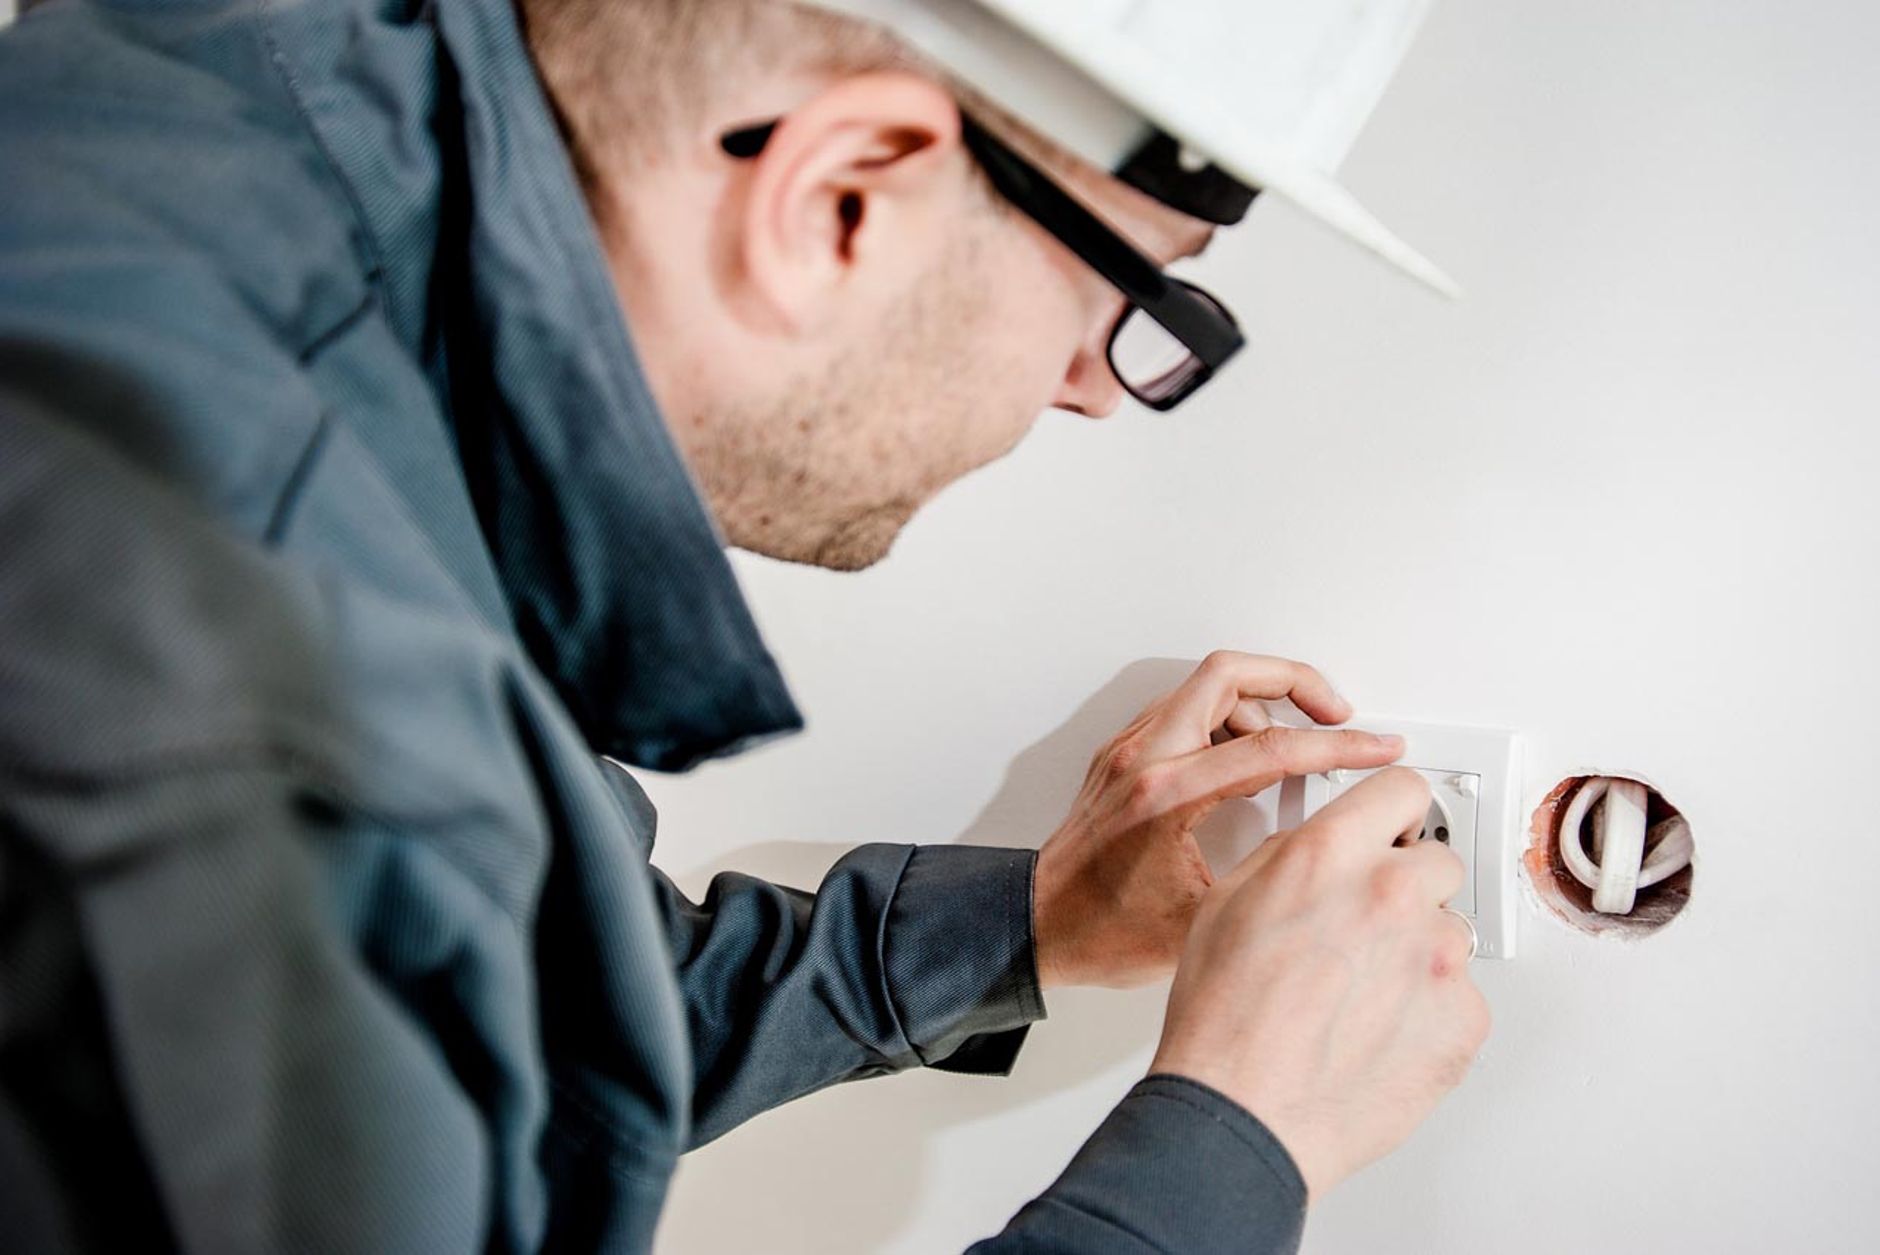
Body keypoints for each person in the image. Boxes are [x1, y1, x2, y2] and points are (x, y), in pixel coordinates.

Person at [0, 0, 1490, 1250]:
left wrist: (1024, 926)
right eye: (1131, 299)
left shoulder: (208, 93)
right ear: (841, 193)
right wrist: (1229, 1144)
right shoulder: (266, 764)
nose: (1095, 388)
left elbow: (492, 1007)